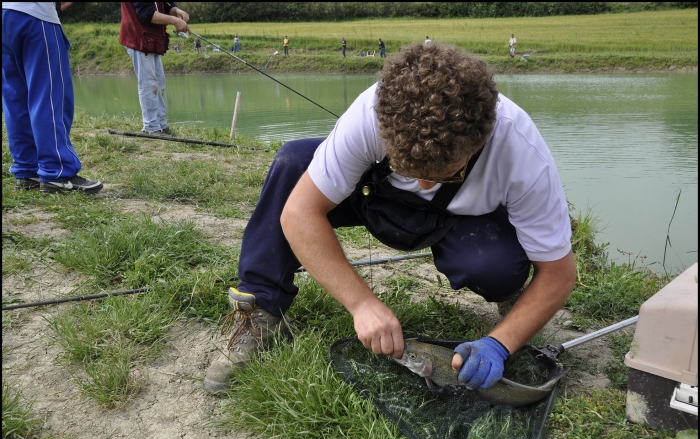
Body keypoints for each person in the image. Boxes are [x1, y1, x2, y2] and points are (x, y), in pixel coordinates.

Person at [203, 42, 575, 395]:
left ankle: (514, 309)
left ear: (478, 142)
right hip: (374, 198)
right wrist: (362, 304)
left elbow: (559, 272)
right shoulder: (371, 113)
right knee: (294, 163)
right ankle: (263, 310)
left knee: (497, 265)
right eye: (408, 170)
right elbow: (300, 214)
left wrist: (500, 343)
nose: (424, 184)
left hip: (462, 220)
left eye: (443, 174)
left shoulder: (520, 151)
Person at [2, 2, 103, 194]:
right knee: (48, 96)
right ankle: (57, 172)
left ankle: (27, 170)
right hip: (34, 16)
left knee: (16, 98)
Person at [119, 2, 190, 135]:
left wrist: (176, 11)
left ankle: (161, 125)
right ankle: (151, 127)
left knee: (159, 83)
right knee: (149, 84)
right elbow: (147, 14)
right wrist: (175, 21)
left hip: (151, 39)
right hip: (138, 37)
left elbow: (166, 4)